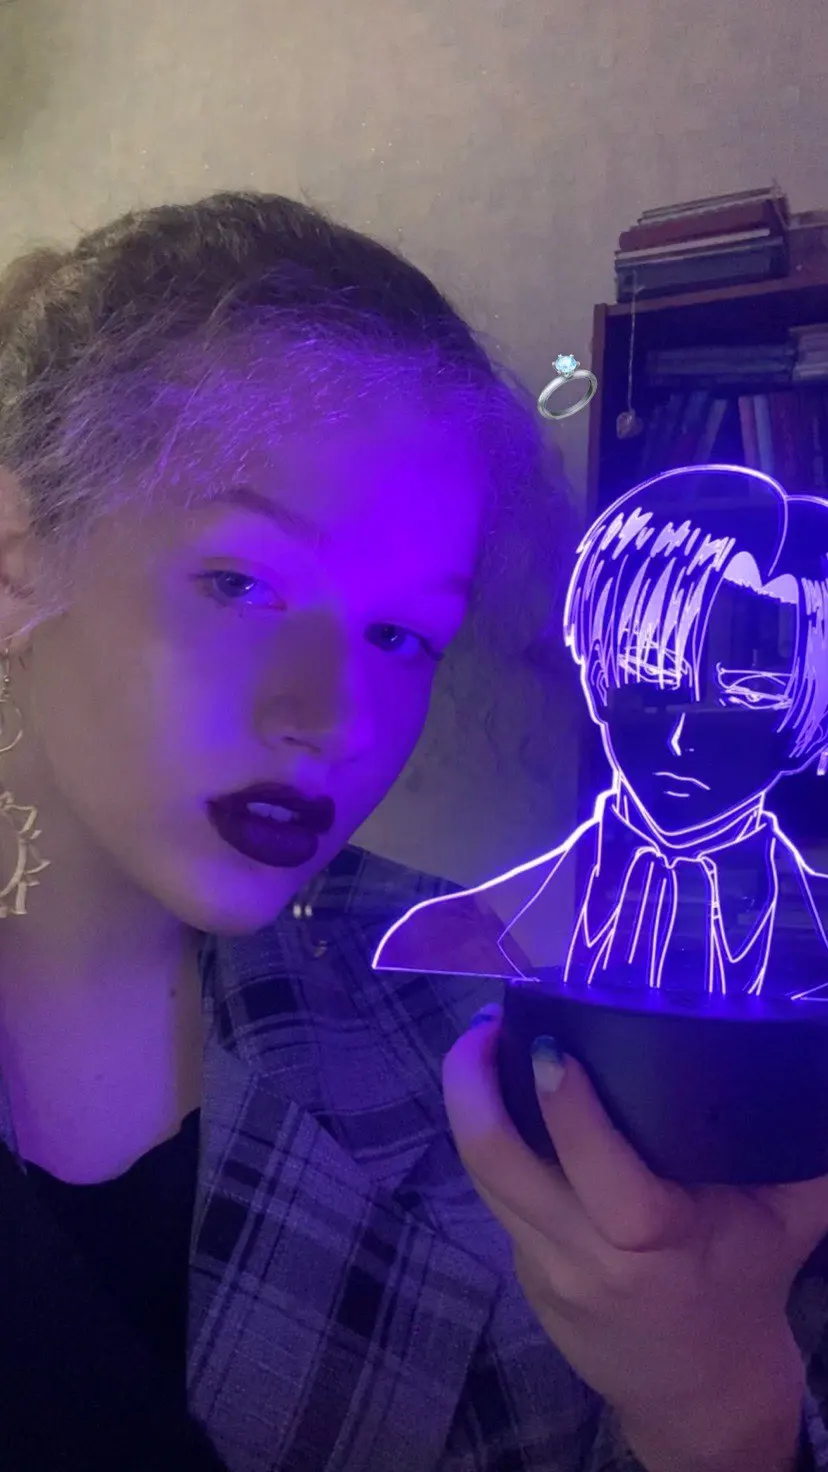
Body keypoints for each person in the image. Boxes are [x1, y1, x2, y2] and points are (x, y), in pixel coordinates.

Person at [0, 192, 826, 1472]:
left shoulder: (496, 1054)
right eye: (243, 581)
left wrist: (719, 1413)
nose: (334, 719)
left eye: (400, 634)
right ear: (15, 559)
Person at [375, 465, 828, 1000]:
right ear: (597, 674)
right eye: (651, 676)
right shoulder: (441, 944)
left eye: (749, 696)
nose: (681, 737)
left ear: (812, 711)